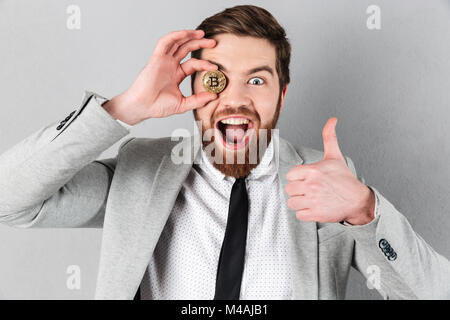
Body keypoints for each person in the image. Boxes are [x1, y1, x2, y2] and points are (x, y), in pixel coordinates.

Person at [0, 5, 449, 300]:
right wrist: (124, 108)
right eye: (216, 79)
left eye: (256, 80)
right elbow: (8, 201)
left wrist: (365, 210)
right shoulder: (140, 170)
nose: (235, 99)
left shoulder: (327, 181)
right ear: (193, 88)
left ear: (282, 95)